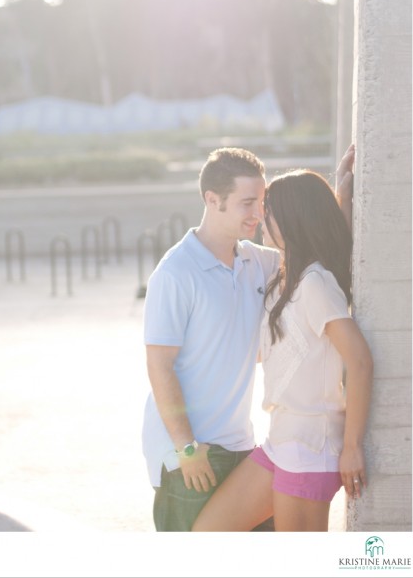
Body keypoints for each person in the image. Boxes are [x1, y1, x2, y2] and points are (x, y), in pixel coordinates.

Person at [141, 145, 355, 532]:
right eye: (247, 203)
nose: (258, 214)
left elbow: (315, 243)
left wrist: (342, 199)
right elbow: (159, 366)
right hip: (192, 452)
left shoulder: (258, 262)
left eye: (262, 202)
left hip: (243, 446)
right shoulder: (175, 273)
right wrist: (186, 448)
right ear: (212, 200)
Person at [192, 168, 373, 532]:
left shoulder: (316, 283)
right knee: (207, 531)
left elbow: (360, 361)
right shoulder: (284, 276)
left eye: (268, 209)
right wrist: (342, 199)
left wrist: (352, 446)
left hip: (310, 448)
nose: (261, 216)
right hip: (280, 441)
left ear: (291, 218)